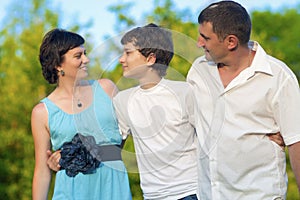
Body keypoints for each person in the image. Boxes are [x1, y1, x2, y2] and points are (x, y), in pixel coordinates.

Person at [186, 1, 300, 199]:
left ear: (231, 42)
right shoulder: (198, 70)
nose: (199, 43)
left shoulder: (278, 77)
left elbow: (296, 142)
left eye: (205, 37)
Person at [31, 28, 132, 200]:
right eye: (78, 56)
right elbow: (42, 170)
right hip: (71, 191)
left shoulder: (107, 88)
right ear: (58, 64)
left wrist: (90, 152)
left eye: (85, 53)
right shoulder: (42, 112)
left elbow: (122, 135)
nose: (86, 59)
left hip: (113, 187)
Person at [112, 23, 198, 199]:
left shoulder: (185, 92)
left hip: (191, 192)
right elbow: (112, 148)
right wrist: (67, 154)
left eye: (128, 53)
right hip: (152, 195)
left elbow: (210, 139)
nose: (121, 59)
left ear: (150, 59)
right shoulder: (123, 100)